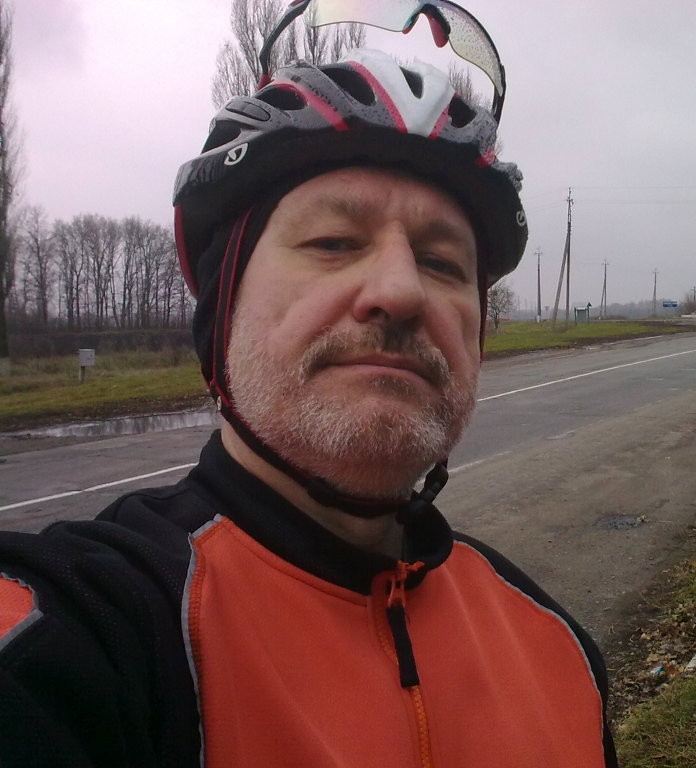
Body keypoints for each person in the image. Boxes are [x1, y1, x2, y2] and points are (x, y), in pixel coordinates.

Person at [0, 1, 617, 766]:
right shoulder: (86, 633)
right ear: (223, 312)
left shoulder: (558, 652)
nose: (401, 291)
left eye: (442, 262)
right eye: (333, 241)